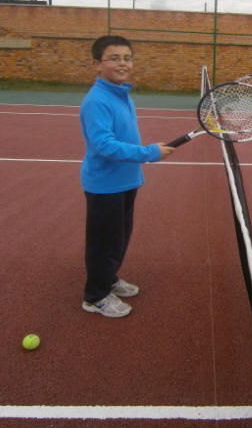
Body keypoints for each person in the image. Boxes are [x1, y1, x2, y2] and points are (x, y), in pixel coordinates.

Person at [79, 35, 175, 318]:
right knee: (104, 243)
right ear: (97, 64)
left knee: (119, 238)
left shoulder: (121, 93)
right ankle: (95, 296)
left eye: (127, 57)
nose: (123, 63)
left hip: (125, 181)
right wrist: (148, 152)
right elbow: (103, 145)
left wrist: (145, 152)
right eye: (114, 58)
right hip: (105, 186)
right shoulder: (97, 101)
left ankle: (108, 278)